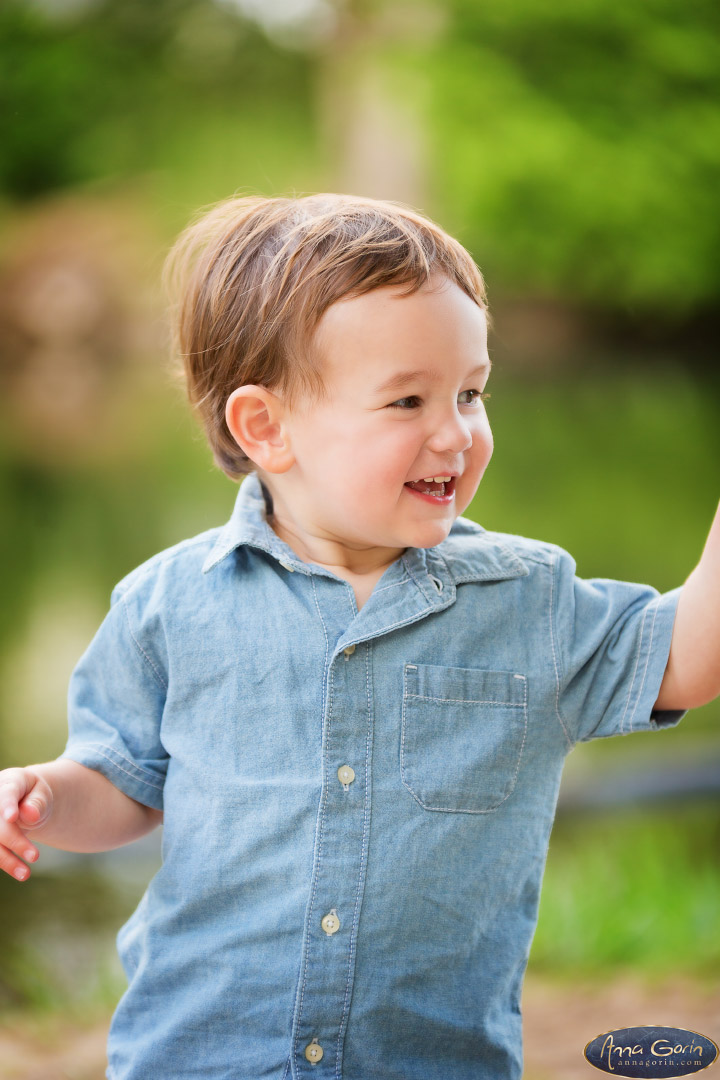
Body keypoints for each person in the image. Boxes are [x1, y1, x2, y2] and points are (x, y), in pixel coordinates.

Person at [0, 193, 718, 1080]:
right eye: (408, 400)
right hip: (198, 1058)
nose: (455, 432)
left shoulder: (527, 600)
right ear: (266, 426)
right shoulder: (169, 604)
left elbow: (688, 655)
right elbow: (123, 784)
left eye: (471, 392)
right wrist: (40, 796)